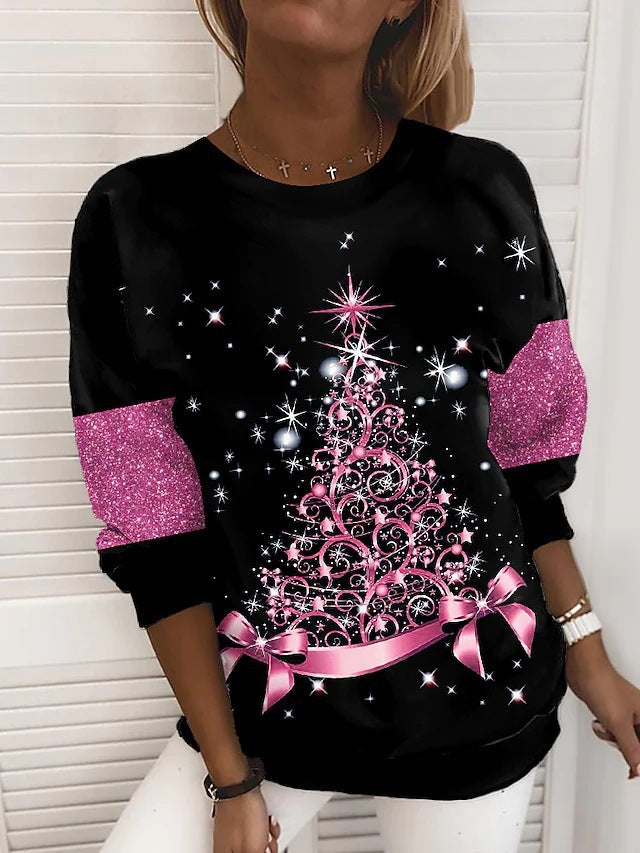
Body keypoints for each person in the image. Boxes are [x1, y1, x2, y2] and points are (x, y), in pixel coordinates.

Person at [65, 1, 640, 851]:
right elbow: (155, 534)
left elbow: (527, 470)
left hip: (481, 705)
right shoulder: (133, 217)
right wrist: (230, 777)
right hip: (267, 715)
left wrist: (588, 652)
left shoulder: (481, 189)